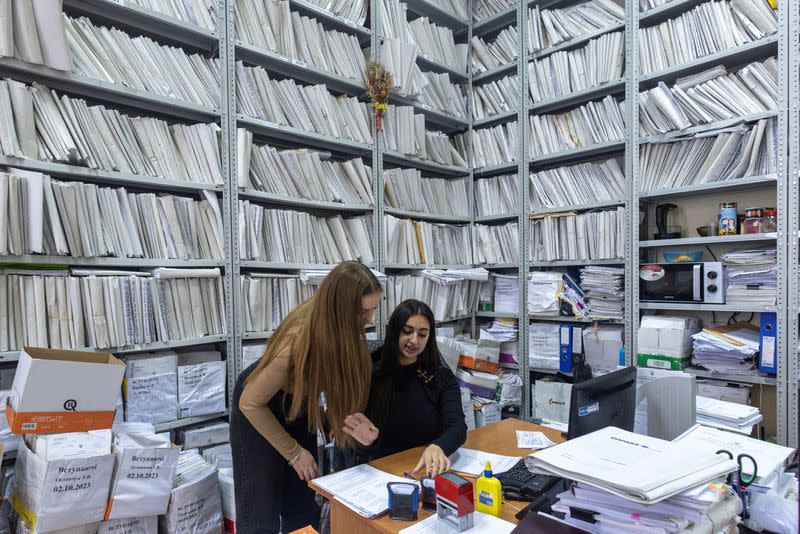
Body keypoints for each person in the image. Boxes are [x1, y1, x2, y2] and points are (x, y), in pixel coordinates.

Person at [230, 262, 382, 534]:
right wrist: (294, 453)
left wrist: (356, 430)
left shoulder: (344, 328)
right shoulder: (296, 342)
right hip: (258, 403)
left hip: (298, 398)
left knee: (303, 495)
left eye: (373, 309)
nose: (369, 320)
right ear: (342, 309)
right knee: (260, 508)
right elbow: (250, 403)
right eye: (363, 312)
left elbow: (336, 384)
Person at [342, 299, 467, 478]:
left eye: (423, 334)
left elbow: (457, 427)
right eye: (407, 332)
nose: (414, 341)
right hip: (382, 472)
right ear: (394, 331)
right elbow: (357, 448)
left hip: (426, 471)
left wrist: (439, 446)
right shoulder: (370, 374)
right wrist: (367, 441)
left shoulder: (442, 377)